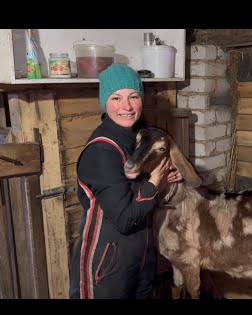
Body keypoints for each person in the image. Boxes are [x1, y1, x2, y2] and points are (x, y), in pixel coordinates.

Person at [69, 64, 181, 299]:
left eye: (133, 96)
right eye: (116, 97)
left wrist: (166, 181)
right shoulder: (102, 150)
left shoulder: (137, 137)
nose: (126, 106)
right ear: (104, 102)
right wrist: (155, 180)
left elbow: (140, 192)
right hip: (107, 265)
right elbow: (125, 219)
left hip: (140, 256)